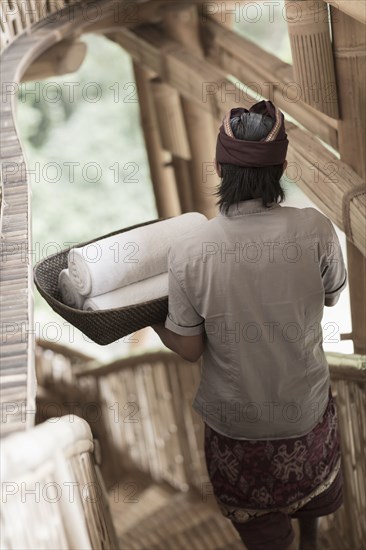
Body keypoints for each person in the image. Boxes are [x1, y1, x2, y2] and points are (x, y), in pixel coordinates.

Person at [152, 100, 347, 550]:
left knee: (263, 536)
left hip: (239, 427)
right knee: (312, 503)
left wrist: (151, 322)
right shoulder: (314, 229)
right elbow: (332, 296)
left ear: (221, 167)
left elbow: (189, 348)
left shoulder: (190, 250)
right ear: (278, 169)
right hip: (305, 410)